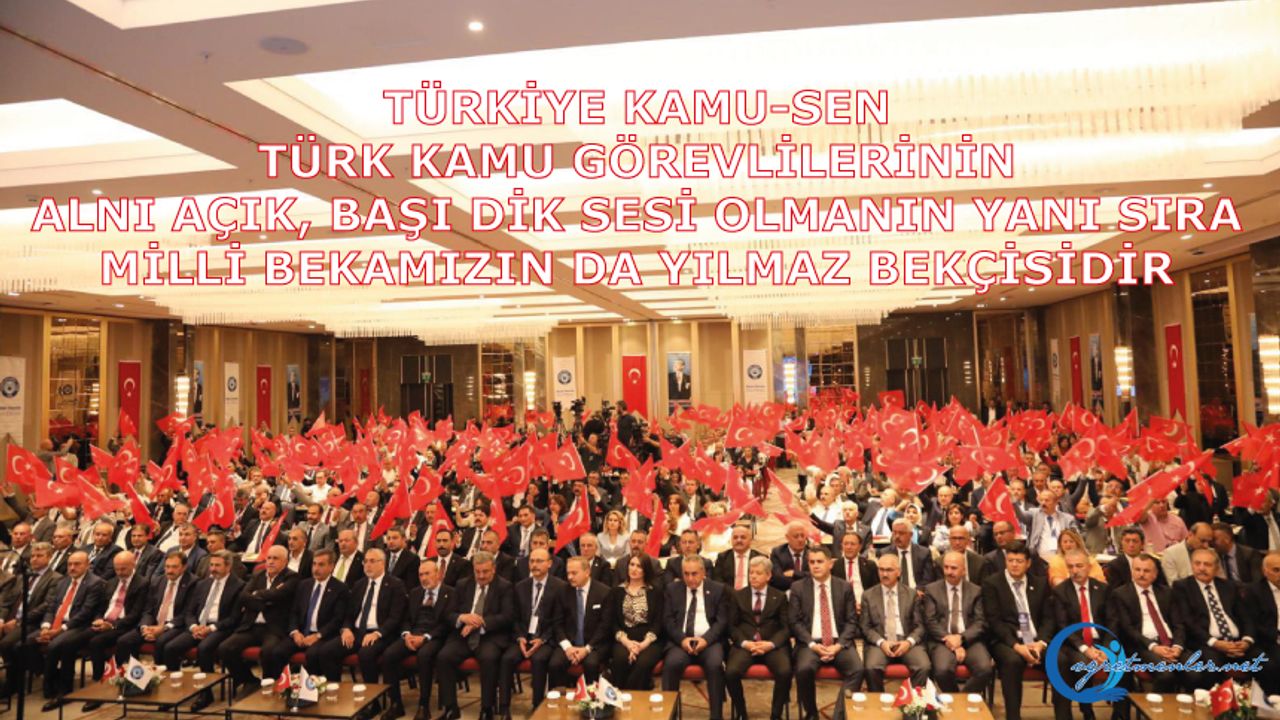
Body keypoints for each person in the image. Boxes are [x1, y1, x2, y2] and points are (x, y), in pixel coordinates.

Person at [435, 551, 517, 720]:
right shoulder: (462, 584)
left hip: (489, 636)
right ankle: (450, 707)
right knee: (444, 657)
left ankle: (487, 708)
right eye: (477, 571)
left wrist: (480, 622)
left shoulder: (504, 587)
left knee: (489, 658)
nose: (481, 576)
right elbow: (448, 614)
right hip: (463, 636)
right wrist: (462, 617)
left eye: (485, 571)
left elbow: (508, 616)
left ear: (494, 569)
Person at [1173, 548, 1266, 689]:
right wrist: (1215, 643)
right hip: (1207, 642)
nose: (1201, 568)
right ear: (1191, 565)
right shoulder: (1182, 587)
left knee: (1266, 663)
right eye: (1197, 563)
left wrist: (1247, 640)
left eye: (1207, 564)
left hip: (1237, 643)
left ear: (1216, 568)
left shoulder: (1228, 586)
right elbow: (1188, 622)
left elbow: (1246, 617)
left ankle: (1265, 701)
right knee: (1213, 666)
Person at [981, 541, 1054, 720]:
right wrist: (1017, 646)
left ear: (1028, 563)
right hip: (1007, 641)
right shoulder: (992, 584)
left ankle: (1064, 715)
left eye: (1019, 561)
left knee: (1059, 660)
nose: (1014, 565)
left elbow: (1049, 618)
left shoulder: (1040, 584)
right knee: (1012, 661)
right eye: (1010, 560)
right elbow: (994, 621)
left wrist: (1041, 643)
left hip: (1036, 640)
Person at [171, 550, 246, 711]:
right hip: (198, 626)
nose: (213, 569)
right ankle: (174, 691)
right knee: (171, 647)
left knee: (204, 648)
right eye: (211, 565)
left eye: (217, 565)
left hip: (220, 627)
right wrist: (194, 626)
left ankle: (206, 693)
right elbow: (190, 612)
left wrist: (210, 629)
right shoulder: (202, 584)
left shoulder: (238, 586)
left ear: (228, 566)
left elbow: (234, 618)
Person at [218, 545, 299, 694]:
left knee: (269, 651)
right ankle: (249, 681)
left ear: (285, 561)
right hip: (251, 625)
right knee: (225, 648)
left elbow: (279, 595)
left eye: (275, 558)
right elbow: (243, 596)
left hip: (274, 627)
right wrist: (266, 600)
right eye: (269, 558)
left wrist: (256, 595)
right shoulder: (258, 575)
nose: (270, 561)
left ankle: (270, 687)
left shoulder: (291, 577)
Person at [381, 559, 455, 720]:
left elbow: (447, 623)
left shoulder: (450, 593)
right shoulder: (415, 593)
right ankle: (396, 704)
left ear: (438, 574)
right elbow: (405, 618)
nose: (424, 578)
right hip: (413, 634)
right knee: (389, 655)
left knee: (424, 656)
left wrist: (426, 637)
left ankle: (423, 705)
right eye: (421, 575)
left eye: (427, 574)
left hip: (435, 636)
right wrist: (407, 635)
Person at [263, 548, 348, 682]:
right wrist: (295, 632)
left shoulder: (340, 588)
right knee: (278, 652)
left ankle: (313, 688)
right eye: (314, 564)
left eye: (321, 565)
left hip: (323, 636)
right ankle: (281, 687)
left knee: (312, 654)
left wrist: (317, 636)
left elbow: (337, 620)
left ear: (331, 566)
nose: (316, 569)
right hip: (301, 634)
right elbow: (294, 612)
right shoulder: (304, 585)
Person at [35, 550, 106, 711]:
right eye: (70, 564)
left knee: (57, 645)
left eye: (77, 564)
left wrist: (59, 630)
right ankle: (53, 679)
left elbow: (86, 612)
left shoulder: (95, 583)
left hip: (80, 625)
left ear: (87, 565)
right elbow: (52, 607)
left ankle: (60, 690)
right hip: (56, 623)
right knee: (25, 642)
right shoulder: (63, 582)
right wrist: (46, 626)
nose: (72, 568)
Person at [662, 554, 730, 720]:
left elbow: (721, 621)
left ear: (703, 573)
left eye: (694, 574)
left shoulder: (718, 589)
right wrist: (682, 639)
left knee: (715, 665)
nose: (690, 578)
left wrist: (706, 640)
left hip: (709, 641)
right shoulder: (672, 589)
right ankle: (670, 715)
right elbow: (668, 620)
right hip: (682, 642)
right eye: (686, 574)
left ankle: (716, 716)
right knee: (671, 664)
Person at [1107, 553, 1184, 697]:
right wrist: (1154, 647)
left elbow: (1178, 624)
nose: (1141, 574)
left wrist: (1177, 647)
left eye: (1146, 571)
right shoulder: (1121, 594)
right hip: (1142, 646)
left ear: (1155, 574)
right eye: (1137, 570)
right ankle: (1152, 707)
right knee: (1166, 674)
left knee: (1196, 673)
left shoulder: (1167, 593)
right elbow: (1128, 628)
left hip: (1171, 645)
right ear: (1132, 571)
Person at [499, 548, 565, 714]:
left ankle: (537, 706)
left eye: (539, 561)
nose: (534, 565)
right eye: (532, 561)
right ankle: (504, 708)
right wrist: (520, 637)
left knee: (539, 659)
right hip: (523, 637)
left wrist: (543, 639)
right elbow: (514, 617)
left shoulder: (560, 587)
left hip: (546, 638)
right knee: (507, 659)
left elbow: (559, 620)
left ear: (549, 564)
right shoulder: (520, 586)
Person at [726, 556, 792, 720]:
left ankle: (776, 715)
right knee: (731, 672)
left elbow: (786, 628)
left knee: (785, 671)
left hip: (771, 645)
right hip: (746, 645)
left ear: (768, 576)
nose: (753, 576)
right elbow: (732, 626)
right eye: (751, 573)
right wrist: (745, 643)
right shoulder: (738, 595)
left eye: (758, 573)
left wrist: (771, 644)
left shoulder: (780, 596)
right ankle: (742, 714)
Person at [920, 551, 993, 693]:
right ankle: (956, 698)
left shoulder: (976, 591)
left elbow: (980, 621)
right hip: (942, 640)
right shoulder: (931, 590)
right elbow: (930, 621)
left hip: (970, 639)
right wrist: (951, 641)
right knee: (942, 670)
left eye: (953, 568)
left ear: (964, 570)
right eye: (946, 567)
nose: (949, 572)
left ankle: (961, 701)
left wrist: (961, 638)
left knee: (985, 669)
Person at [1050, 549, 1111, 720]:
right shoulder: (1060, 591)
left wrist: (1106, 648)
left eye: (1079, 566)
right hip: (1074, 643)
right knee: (1082, 663)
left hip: (1100, 642)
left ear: (1089, 567)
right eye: (1070, 567)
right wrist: (1085, 649)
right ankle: (1087, 708)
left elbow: (1112, 621)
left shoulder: (1103, 589)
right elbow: (1063, 625)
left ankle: (1121, 713)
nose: (1075, 570)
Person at [82, 550, 146, 701]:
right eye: (117, 569)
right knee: (84, 638)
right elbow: (100, 607)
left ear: (133, 565)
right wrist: (98, 619)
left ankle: (109, 680)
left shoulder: (142, 583)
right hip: (106, 622)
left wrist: (112, 625)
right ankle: (99, 679)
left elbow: (135, 614)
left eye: (123, 568)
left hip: (125, 625)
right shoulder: (111, 582)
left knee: (98, 641)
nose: (120, 572)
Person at [861, 551, 930, 692]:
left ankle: (914, 703)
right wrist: (882, 642)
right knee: (871, 667)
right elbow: (865, 627)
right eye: (881, 570)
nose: (884, 574)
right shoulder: (868, 595)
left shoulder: (911, 594)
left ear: (898, 572)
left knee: (923, 666)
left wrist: (908, 642)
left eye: (889, 570)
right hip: (881, 642)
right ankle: (879, 701)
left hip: (906, 641)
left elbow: (920, 626)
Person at [549, 556, 612, 690]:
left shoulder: (604, 592)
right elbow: (557, 623)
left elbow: (605, 626)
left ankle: (591, 700)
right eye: (568, 573)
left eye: (574, 573)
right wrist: (568, 647)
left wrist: (587, 649)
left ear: (587, 572)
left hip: (594, 644)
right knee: (555, 664)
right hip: (569, 643)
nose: (570, 577)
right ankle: (559, 699)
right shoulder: (562, 591)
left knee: (591, 664)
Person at [607, 554, 665, 690]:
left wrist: (642, 645)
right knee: (621, 660)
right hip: (624, 637)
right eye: (632, 565)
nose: (634, 569)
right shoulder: (616, 591)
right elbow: (612, 622)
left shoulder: (655, 592)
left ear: (646, 570)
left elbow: (658, 622)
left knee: (643, 664)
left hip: (649, 639)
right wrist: (627, 643)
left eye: (639, 566)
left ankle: (632, 697)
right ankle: (620, 696)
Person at [877, 519, 937, 589]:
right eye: (894, 533)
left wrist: (919, 591)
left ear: (910, 535)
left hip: (917, 592)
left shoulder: (924, 553)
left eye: (901, 533)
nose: (897, 536)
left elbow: (928, 579)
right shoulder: (885, 553)